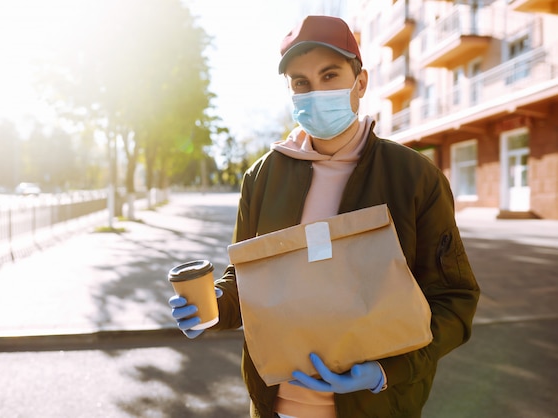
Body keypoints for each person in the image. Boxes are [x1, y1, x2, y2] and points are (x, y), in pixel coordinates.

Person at [169, 15, 480, 418]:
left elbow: (454, 300)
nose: (315, 92)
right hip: (276, 408)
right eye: (301, 83)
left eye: (330, 75)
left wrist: (385, 371)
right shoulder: (262, 178)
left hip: (374, 407)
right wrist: (214, 308)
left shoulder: (415, 178)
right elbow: (247, 281)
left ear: (361, 83)